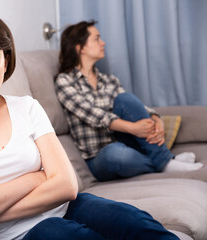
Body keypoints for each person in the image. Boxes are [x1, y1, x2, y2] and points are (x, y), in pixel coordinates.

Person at [0, 13, 180, 240]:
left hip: (68, 206)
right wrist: (37, 177)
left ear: (5, 61)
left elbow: (67, 185)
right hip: (18, 234)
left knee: (134, 221)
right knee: (63, 233)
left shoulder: (27, 107)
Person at [55, 20, 203, 181]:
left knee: (124, 99)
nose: (103, 43)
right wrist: (132, 128)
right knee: (116, 154)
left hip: (127, 144)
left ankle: (165, 161)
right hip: (99, 157)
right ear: (80, 47)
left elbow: (131, 107)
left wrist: (155, 118)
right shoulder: (65, 81)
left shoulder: (109, 80)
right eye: (97, 38)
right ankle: (167, 162)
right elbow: (93, 114)